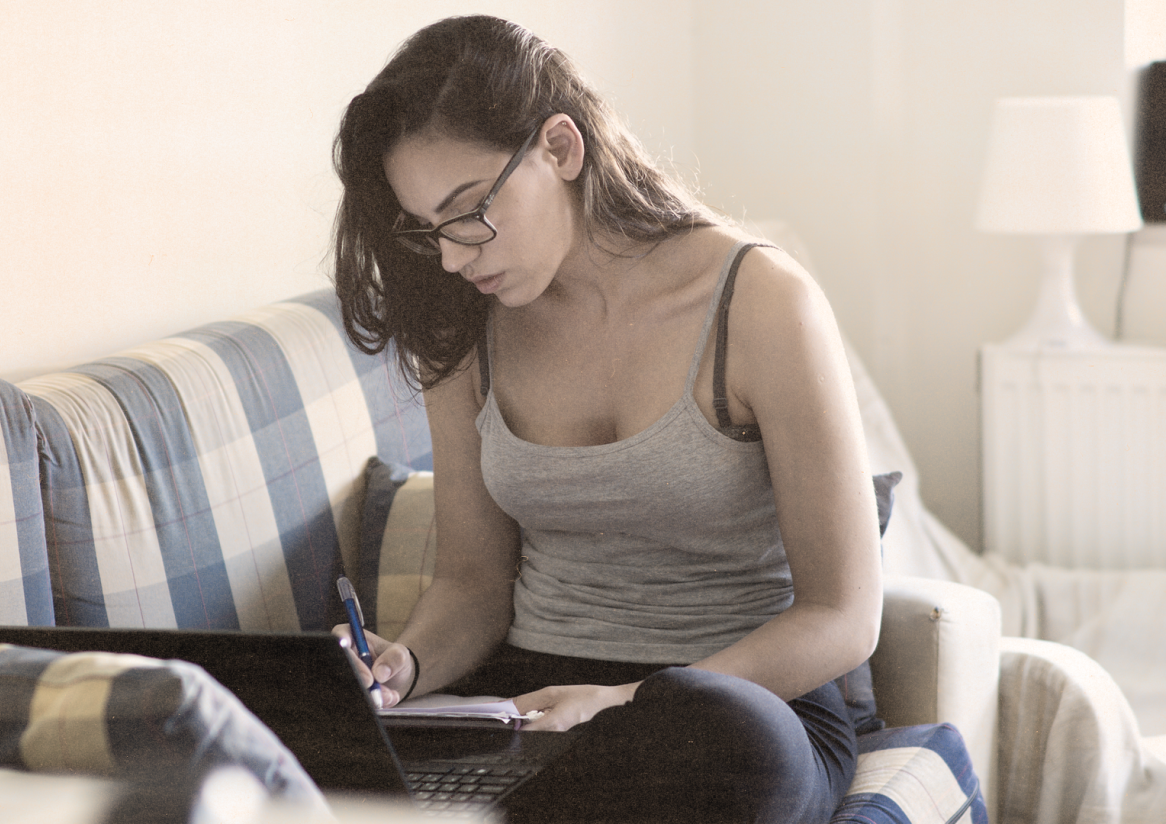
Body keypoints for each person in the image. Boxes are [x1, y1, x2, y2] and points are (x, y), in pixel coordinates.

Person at [330, 15, 883, 823]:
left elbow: (843, 615)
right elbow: (475, 583)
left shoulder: (761, 304)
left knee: (721, 740)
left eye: (468, 211)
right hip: (538, 702)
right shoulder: (462, 322)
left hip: (736, 703)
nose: (452, 256)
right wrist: (407, 666)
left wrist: (627, 699)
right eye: (428, 229)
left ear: (560, 148)